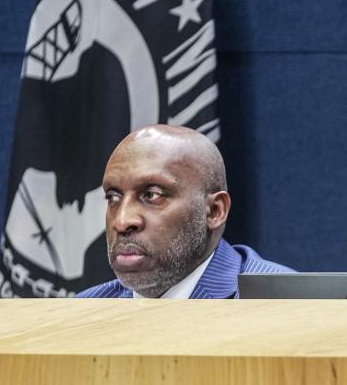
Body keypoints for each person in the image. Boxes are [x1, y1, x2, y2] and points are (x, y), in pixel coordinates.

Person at [77, 125, 293, 298]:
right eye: (113, 198)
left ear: (215, 211)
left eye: (152, 195)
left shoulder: (285, 305)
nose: (122, 221)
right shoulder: (83, 315)